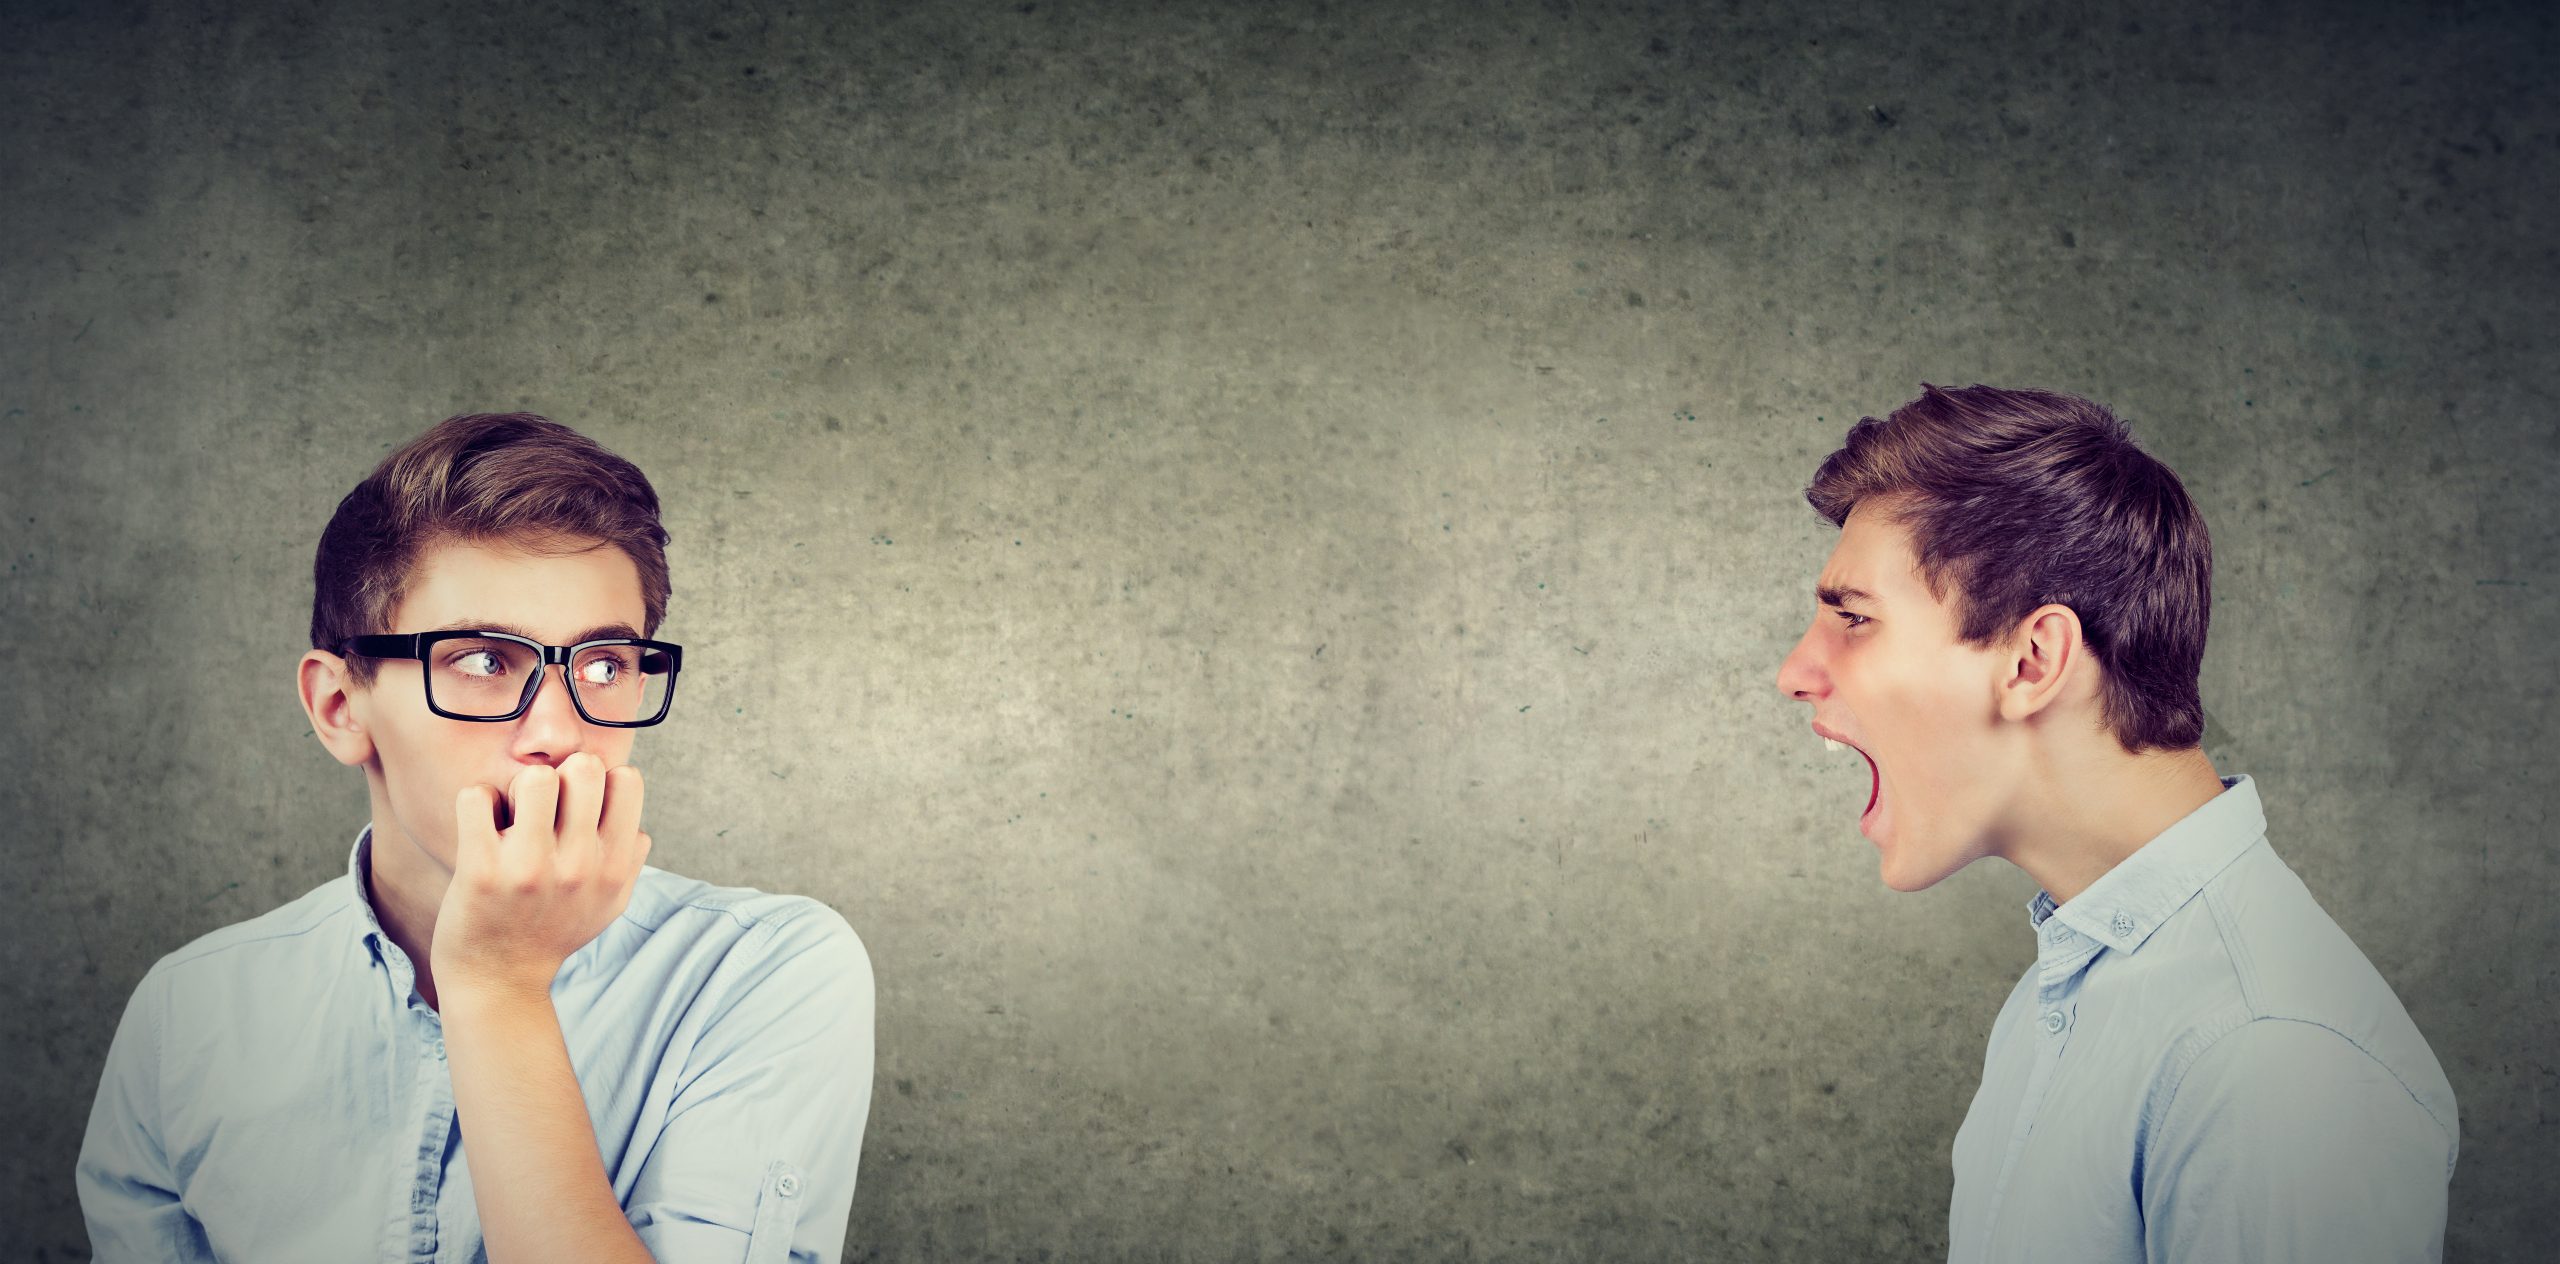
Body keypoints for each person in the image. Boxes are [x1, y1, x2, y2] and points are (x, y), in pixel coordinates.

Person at [77, 412, 875, 1262]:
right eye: (485, 661)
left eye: (605, 666)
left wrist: (500, 986)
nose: (558, 733)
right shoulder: (189, 1016)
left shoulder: (766, 970)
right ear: (340, 708)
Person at [1774, 385, 2458, 1261]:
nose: (1796, 672)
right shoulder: (2072, 986)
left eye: (1855, 619)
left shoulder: (2271, 1059)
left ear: (2033, 660)